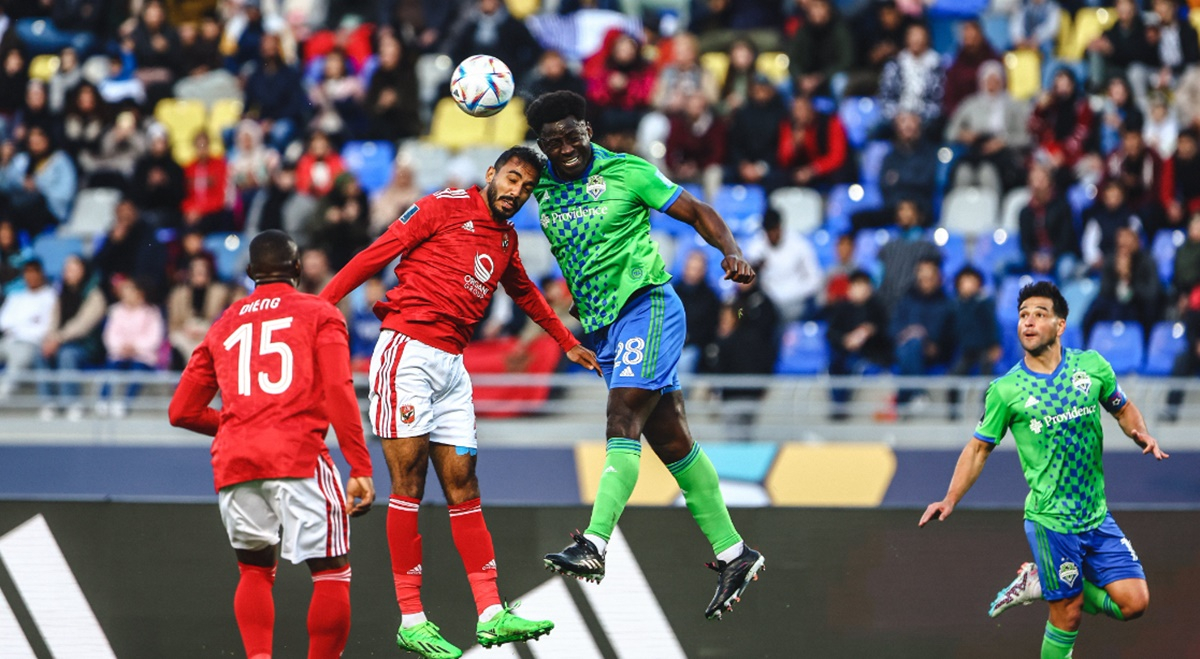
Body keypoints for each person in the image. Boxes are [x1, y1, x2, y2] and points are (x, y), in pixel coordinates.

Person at [318, 146, 594, 659]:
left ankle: (491, 612)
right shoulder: (442, 205)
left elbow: (527, 293)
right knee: (410, 483)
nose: (516, 192)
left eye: (527, 188)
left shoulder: (507, 240)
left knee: (464, 484)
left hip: (452, 367)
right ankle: (412, 618)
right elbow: (376, 253)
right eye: (511, 179)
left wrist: (565, 340)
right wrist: (321, 304)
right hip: (408, 352)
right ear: (491, 174)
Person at [526, 90, 765, 620]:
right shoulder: (537, 181)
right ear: (542, 145)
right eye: (552, 141)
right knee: (671, 438)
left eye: (571, 135)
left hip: (648, 304)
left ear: (586, 130)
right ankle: (734, 552)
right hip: (603, 329)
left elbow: (696, 210)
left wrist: (731, 251)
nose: (564, 147)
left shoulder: (628, 171)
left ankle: (595, 543)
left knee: (622, 415)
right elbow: (494, 195)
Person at [919, 281, 1168, 659]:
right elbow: (977, 449)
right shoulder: (1006, 390)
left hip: (1096, 515)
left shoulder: (1091, 366)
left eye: (1039, 314)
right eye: (1022, 316)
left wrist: (1141, 433)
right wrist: (950, 497)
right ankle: (1049, 584)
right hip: (1051, 520)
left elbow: (1122, 408)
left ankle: (1041, 580)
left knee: (1135, 603)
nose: (1029, 322)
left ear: (1060, 325)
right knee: (1067, 614)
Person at [168, 229, 376, 659]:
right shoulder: (318, 312)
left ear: (249, 274)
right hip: (297, 453)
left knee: (255, 570)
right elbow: (338, 388)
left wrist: (238, 423)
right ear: (298, 269)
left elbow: (182, 411)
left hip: (235, 461)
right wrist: (360, 465)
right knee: (331, 571)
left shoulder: (223, 323)